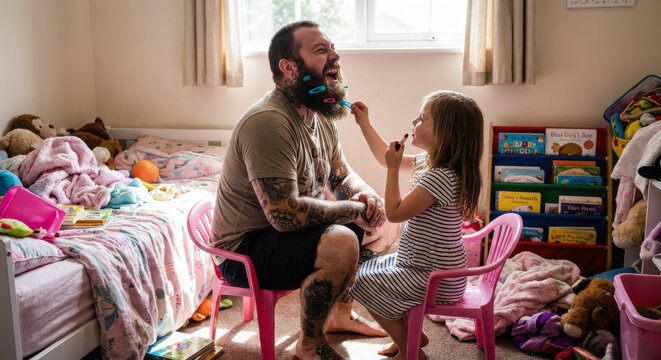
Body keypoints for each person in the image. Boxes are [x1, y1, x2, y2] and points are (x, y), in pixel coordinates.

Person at [210, 20, 391, 360]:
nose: (335, 55)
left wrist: (368, 198)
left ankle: (339, 314)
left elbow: (341, 176)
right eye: (321, 50)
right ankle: (309, 344)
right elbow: (284, 216)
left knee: (385, 220)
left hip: (284, 232)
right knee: (342, 241)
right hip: (244, 251)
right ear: (289, 68)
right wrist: (353, 209)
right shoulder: (267, 122)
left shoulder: (320, 115)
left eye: (332, 47)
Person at [349, 90, 484, 360]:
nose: (414, 122)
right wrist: (365, 124)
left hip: (436, 277)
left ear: (446, 132)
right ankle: (408, 337)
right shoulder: (434, 164)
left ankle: (411, 352)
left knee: (362, 283)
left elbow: (396, 213)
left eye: (422, 118)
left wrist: (391, 170)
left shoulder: (441, 177)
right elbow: (383, 156)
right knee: (369, 268)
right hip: (428, 266)